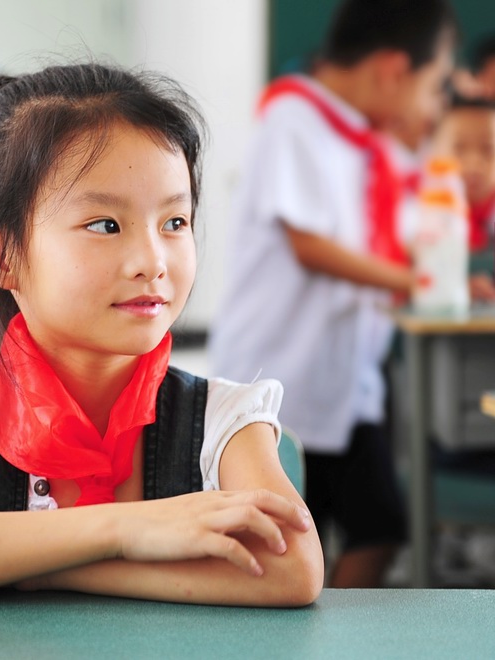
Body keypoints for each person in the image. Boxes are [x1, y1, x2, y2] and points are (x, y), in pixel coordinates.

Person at [0, 63, 324, 606]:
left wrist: (55, 572)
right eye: (106, 225)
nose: (153, 261)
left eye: (175, 222)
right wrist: (121, 532)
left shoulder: (224, 419)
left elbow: (295, 570)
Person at [208, 0, 456, 588]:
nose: (435, 102)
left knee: (376, 528)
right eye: (435, 84)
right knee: (295, 538)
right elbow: (310, 246)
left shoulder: (362, 138)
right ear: (394, 69)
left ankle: (330, 633)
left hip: (342, 383)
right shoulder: (295, 118)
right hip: (282, 378)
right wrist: (419, 282)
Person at [432, 94, 495, 301]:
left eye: (487, 149)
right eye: (458, 148)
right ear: (434, 150)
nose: (473, 164)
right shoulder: (417, 213)